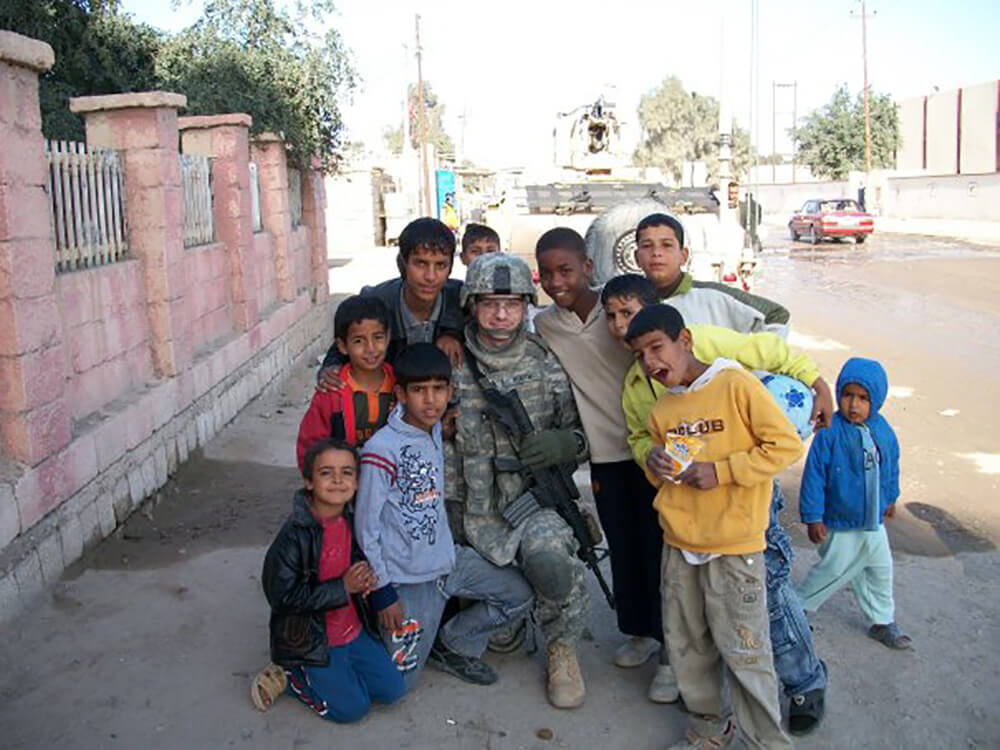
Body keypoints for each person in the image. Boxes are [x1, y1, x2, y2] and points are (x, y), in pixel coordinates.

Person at [614, 273, 831, 735]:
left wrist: (724, 470)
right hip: (679, 544)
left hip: (735, 546)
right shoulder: (662, 410)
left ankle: (765, 741)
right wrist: (655, 462)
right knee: (689, 646)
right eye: (640, 355)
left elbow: (785, 446)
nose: (650, 362)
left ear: (684, 340)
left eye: (657, 348)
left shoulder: (734, 384)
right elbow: (662, 470)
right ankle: (710, 730)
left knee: (746, 650)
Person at [449, 252, 592, 709]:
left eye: (512, 303)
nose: (502, 314)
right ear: (471, 304)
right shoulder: (450, 362)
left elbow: (583, 433)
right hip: (464, 504)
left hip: (533, 504)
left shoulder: (546, 364)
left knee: (550, 559)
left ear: (527, 305)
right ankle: (505, 613)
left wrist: (566, 445)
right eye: (490, 302)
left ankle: (561, 644)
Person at [355, 343, 533, 689]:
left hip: (448, 562)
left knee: (520, 594)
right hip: (407, 580)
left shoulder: (434, 429)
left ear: (450, 391)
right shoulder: (381, 450)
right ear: (401, 393)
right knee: (398, 685)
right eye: (419, 390)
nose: (430, 400)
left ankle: (450, 641)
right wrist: (382, 591)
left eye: (439, 389)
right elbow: (366, 527)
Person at [253, 438, 405, 722]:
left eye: (347, 472)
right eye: (326, 473)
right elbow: (282, 598)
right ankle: (292, 676)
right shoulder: (293, 537)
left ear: (357, 482)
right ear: (309, 482)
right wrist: (343, 588)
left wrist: (366, 578)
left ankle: (336, 674)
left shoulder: (349, 520)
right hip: (315, 640)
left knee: (392, 690)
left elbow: (357, 558)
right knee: (352, 710)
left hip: (353, 630)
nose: (337, 480)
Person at [797, 357, 911, 650]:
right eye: (848, 396)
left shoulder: (883, 430)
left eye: (863, 398)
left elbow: (891, 465)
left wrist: (890, 498)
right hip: (840, 518)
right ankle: (798, 610)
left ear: (877, 400)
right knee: (834, 568)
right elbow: (814, 476)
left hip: (873, 519)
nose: (854, 405)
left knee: (879, 568)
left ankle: (882, 621)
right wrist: (813, 516)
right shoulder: (831, 432)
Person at [319, 217, 465, 376]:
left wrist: (452, 332)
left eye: (440, 265)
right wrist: (331, 367)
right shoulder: (376, 302)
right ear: (403, 264)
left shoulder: (461, 298)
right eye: (420, 264)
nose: (430, 276)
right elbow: (344, 344)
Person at [634, 212, 788, 336]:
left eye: (667, 245)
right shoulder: (627, 306)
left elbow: (776, 314)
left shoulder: (714, 297)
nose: (656, 253)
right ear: (636, 258)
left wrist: (760, 365)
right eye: (647, 246)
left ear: (684, 255)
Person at [296, 295, 394, 470]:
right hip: (343, 485)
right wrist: (316, 483)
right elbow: (310, 445)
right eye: (358, 341)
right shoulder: (332, 392)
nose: (370, 348)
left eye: (378, 337)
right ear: (342, 346)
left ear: (388, 338)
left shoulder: (399, 385)